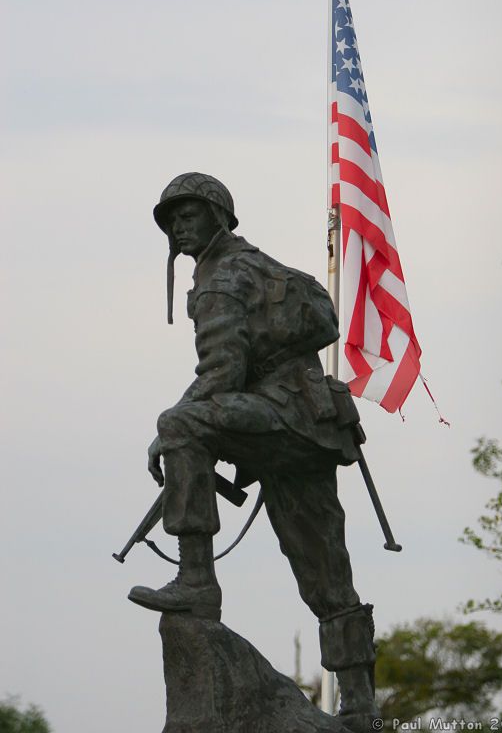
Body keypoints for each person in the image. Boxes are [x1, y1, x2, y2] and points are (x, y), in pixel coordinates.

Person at [128, 172, 378, 732]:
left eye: (189, 214)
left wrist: (167, 435)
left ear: (219, 215)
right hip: (314, 426)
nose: (179, 225)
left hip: (284, 418)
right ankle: (361, 705)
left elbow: (221, 372)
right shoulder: (260, 264)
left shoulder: (220, 279)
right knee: (325, 570)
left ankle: (197, 581)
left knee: (181, 424)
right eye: (172, 219)